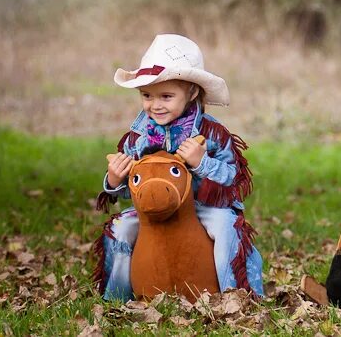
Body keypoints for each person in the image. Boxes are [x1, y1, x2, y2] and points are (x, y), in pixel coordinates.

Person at [95, 34, 264, 300]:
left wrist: (202, 163)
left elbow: (233, 180)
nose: (155, 105)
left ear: (192, 92)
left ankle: (240, 295)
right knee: (120, 229)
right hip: (156, 209)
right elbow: (135, 191)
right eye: (146, 95)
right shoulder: (137, 138)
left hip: (203, 207)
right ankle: (115, 297)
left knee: (228, 230)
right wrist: (115, 181)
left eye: (166, 96)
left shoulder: (213, 133)